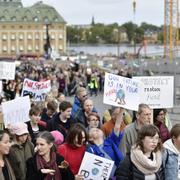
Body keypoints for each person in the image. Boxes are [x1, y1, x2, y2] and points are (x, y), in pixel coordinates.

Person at [87, 107, 124, 173]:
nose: (96, 129)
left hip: (118, 174)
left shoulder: (110, 141)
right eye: (94, 131)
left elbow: (117, 125)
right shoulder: (91, 150)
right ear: (90, 138)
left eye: (97, 129)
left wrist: (122, 110)